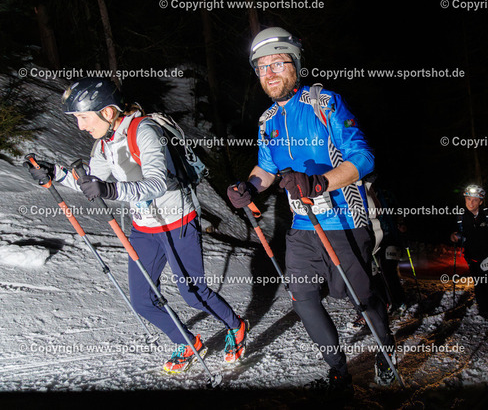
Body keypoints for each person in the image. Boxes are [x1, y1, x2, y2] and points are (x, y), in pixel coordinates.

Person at [25, 77, 247, 373]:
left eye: (83, 117)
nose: (80, 126)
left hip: (176, 222)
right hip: (144, 228)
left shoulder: (145, 132)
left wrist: (111, 190)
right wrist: (54, 172)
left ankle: (236, 326)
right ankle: (188, 342)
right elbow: (91, 183)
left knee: (193, 293)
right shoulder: (104, 143)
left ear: (107, 111)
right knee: (142, 301)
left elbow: (156, 183)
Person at [227, 27, 396, 392]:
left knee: (356, 296)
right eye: (261, 67)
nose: (269, 73)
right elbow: (266, 169)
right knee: (302, 298)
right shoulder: (268, 121)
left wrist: (318, 183)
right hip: (303, 226)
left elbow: (363, 157)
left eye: (277, 63)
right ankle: (338, 370)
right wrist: (248, 188)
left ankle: (386, 349)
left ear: (296, 65)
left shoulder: (324, 103)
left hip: (344, 219)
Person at [450, 185, 488, 321]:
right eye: (468, 199)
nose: (471, 203)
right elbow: (455, 233)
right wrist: (453, 237)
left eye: (474, 200)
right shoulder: (460, 216)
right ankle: (483, 310)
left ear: (481, 202)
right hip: (472, 256)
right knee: (479, 284)